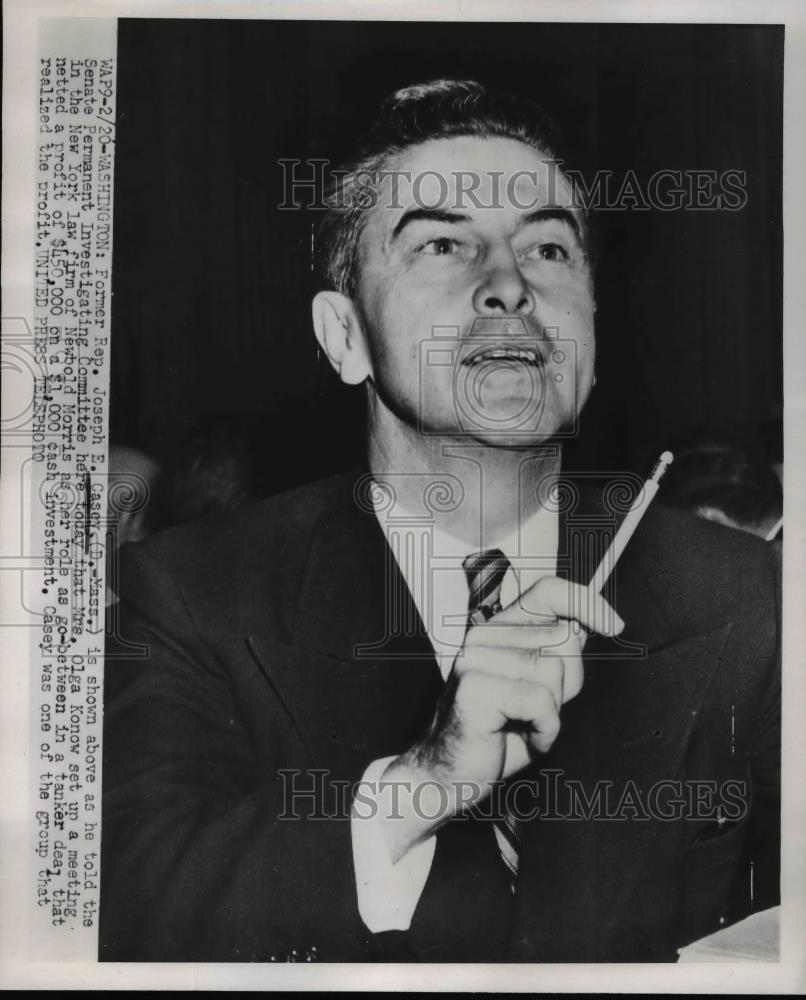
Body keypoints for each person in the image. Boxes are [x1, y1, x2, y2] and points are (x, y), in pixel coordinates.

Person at [100, 80, 780, 963]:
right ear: (343, 337)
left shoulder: (748, 597)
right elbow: (122, 910)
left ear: (592, 328)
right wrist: (422, 784)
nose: (507, 285)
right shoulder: (193, 595)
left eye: (546, 249)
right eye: (442, 243)